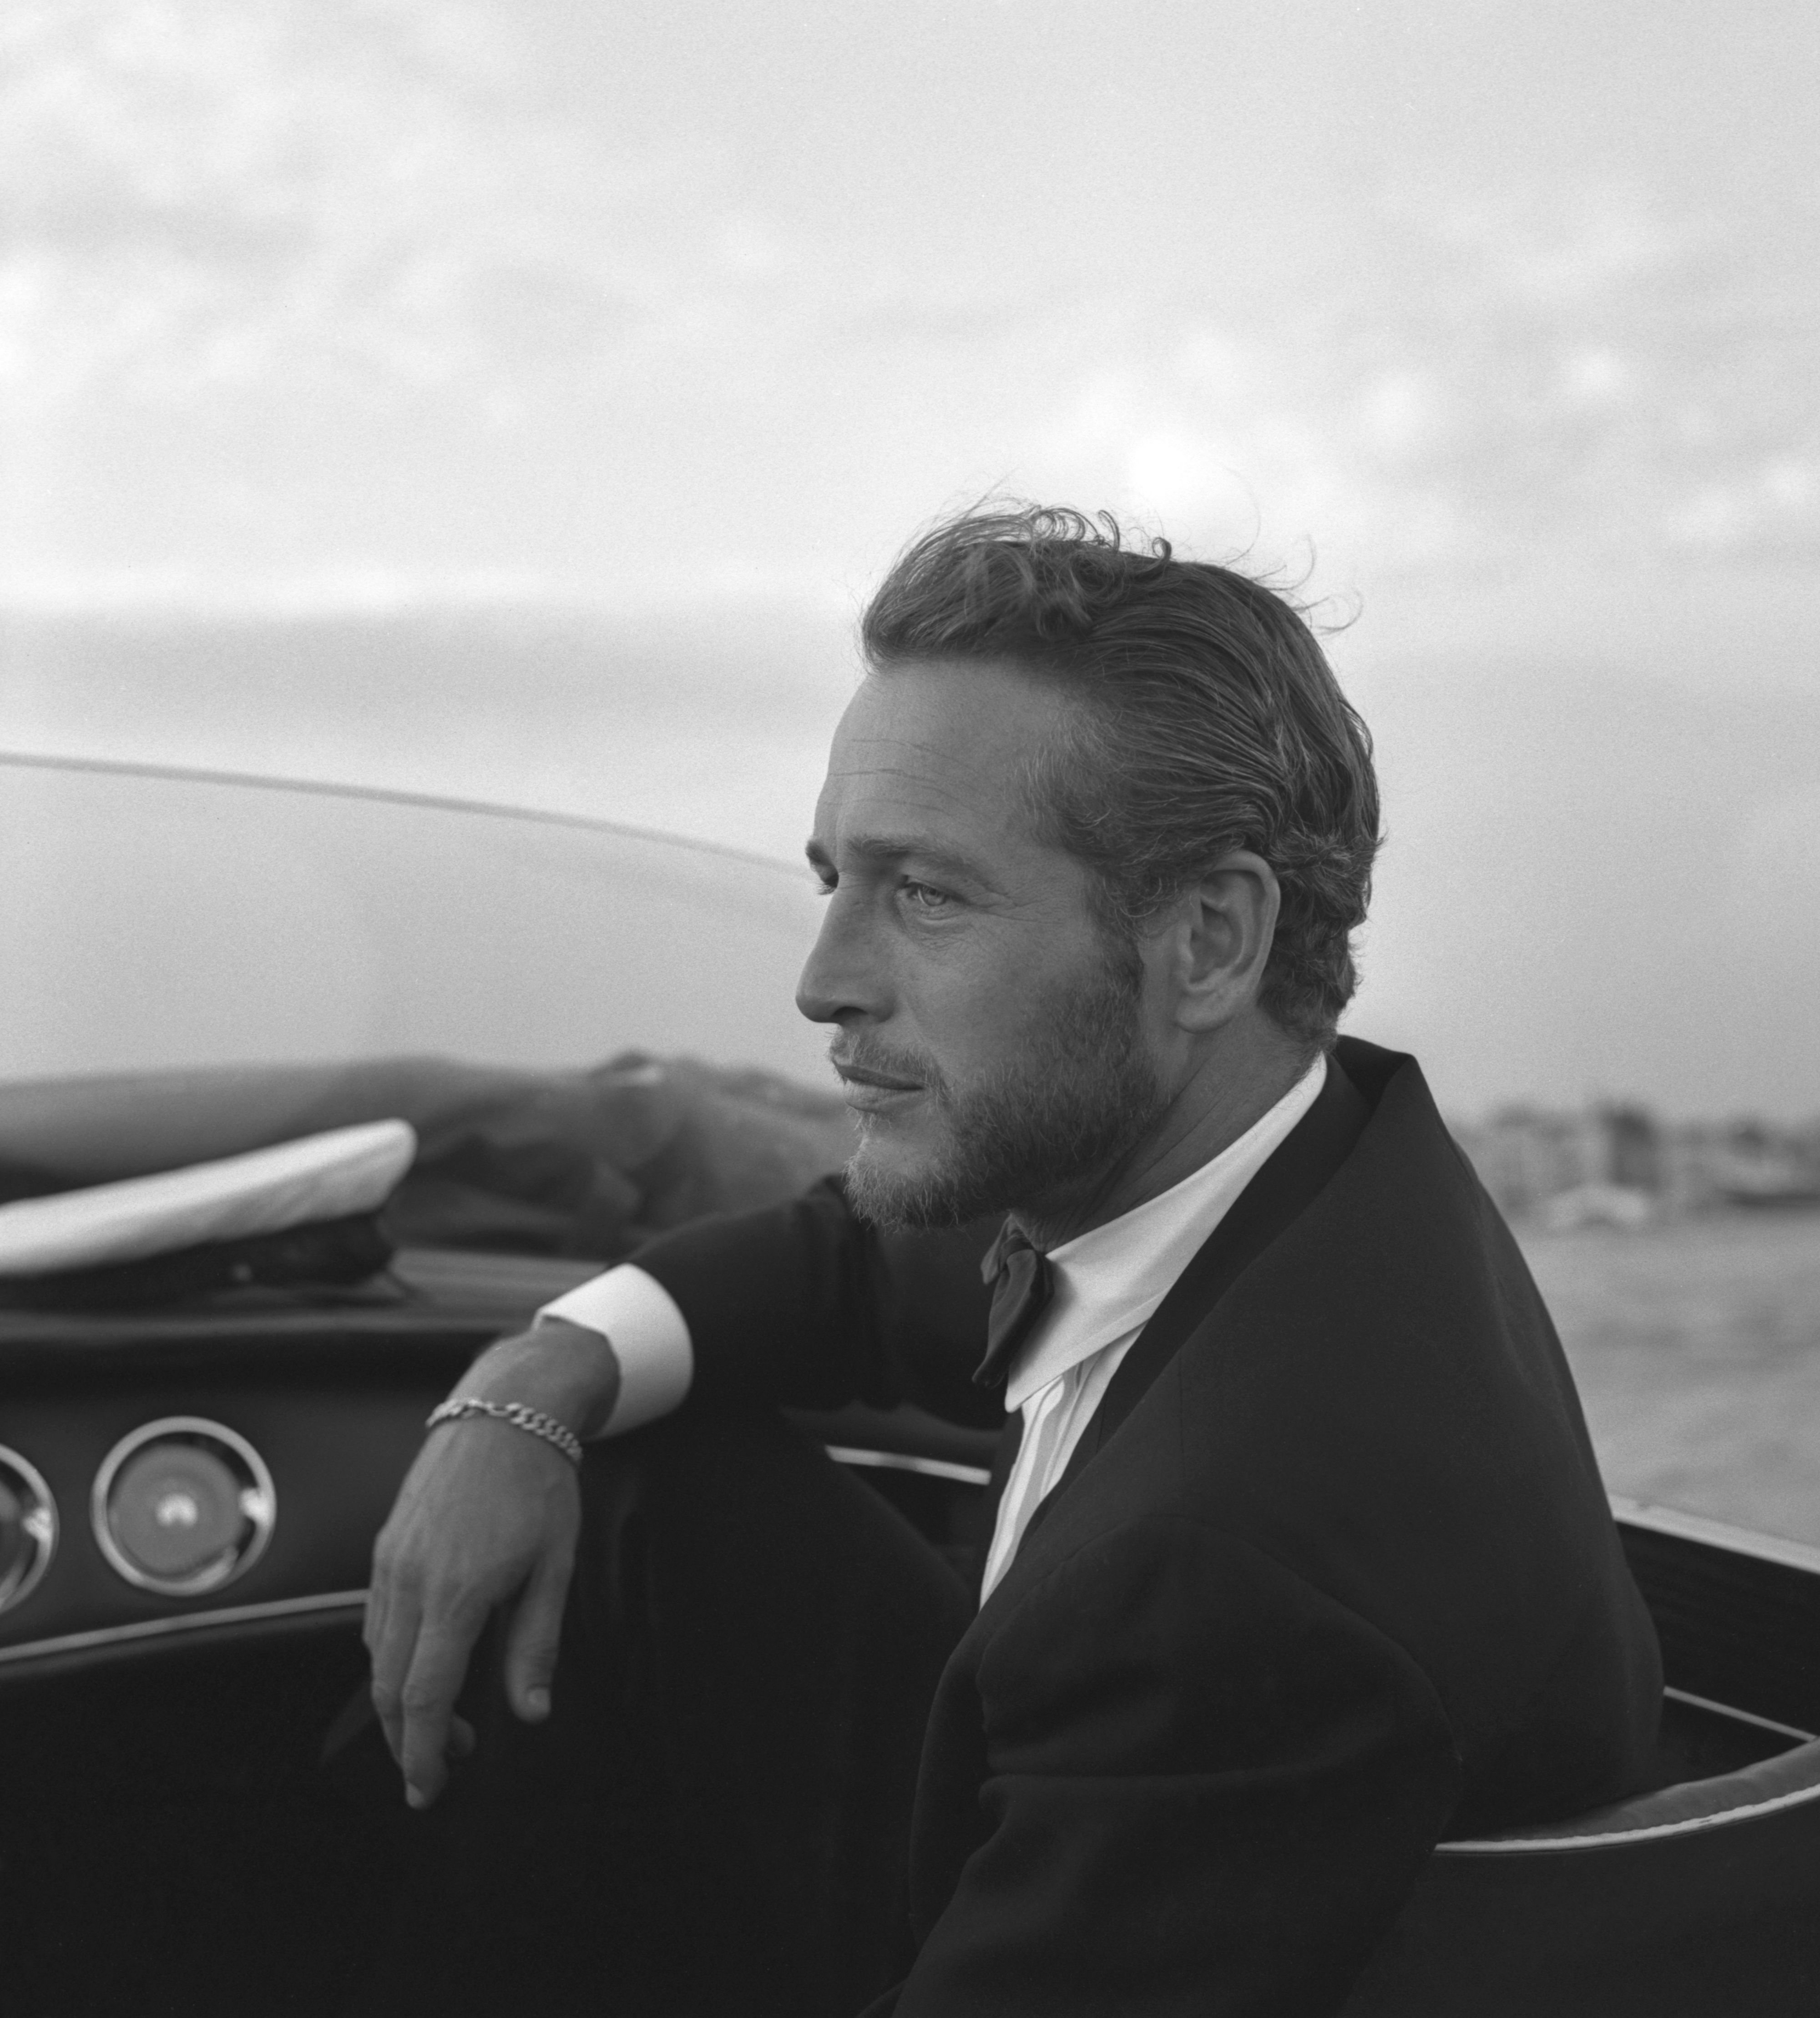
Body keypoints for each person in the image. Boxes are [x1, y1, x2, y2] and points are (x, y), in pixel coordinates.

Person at [361, 505, 1662, 2017]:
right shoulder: (1286, 1160)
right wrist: (530, 1387)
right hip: (1074, 1841)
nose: (823, 980)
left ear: (1208, 940)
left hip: (1089, 1889)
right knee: (645, 1481)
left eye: (926, 893)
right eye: (832, 878)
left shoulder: (1228, 1587)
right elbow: (842, 1270)